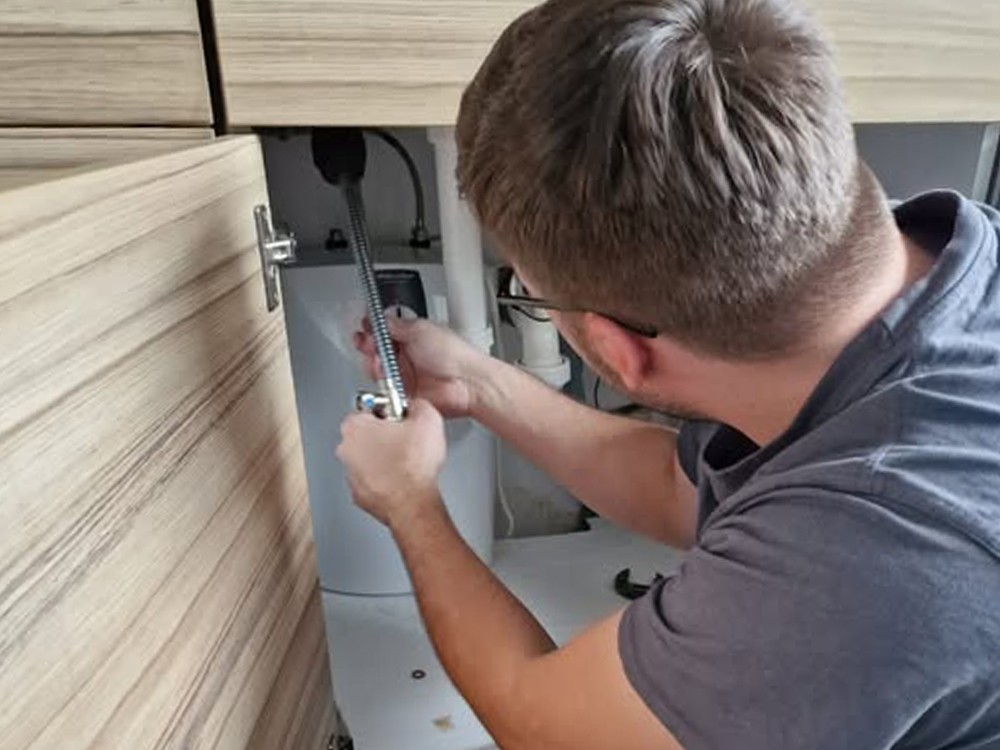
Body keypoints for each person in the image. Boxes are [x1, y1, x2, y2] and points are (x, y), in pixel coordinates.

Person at [336, 0, 1000, 747]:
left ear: (618, 350)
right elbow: (676, 489)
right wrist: (480, 383)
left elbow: (541, 723)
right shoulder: (926, 270)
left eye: (533, 294)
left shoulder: (868, 559)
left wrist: (409, 503)